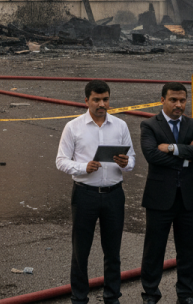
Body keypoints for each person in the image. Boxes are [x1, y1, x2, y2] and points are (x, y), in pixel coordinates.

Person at [56, 80, 135, 304]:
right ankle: (79, 298)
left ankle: (112, 297)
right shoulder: (73, 127)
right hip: (84, 195)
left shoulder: (120, 126)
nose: (102, 104)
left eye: (106, 99)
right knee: (81, 251)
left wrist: (125, 162)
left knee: (113, 251)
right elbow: (61, 161)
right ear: (86, 101)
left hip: (114, 195)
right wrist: (83, 167)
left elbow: (133, 161)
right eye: (97, 100)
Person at [139, 82, 193, 304]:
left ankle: (186, 294)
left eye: (182, 100)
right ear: (162, 100)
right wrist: (189, 152)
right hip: (160, 197)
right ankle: (150, 294)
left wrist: (173, 148)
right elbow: (152, 156)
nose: (178, 105)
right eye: (173, 100)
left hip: (189, 198)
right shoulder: (149, 125)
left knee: (187, 250)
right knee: (154, 249)